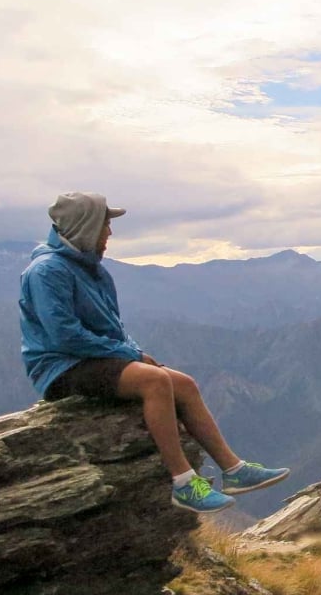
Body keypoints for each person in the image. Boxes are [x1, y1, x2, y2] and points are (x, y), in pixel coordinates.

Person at [18, 191, 289, 513]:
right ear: (86, 226)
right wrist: (125, 353)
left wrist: (132, 351)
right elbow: (62, 335)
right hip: (61, 368)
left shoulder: (91, 269)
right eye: (105, 225)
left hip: (93, 358)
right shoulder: (47, 271)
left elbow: (112, 326)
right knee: (155, 382)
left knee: (183, 383)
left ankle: (234, 470)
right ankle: (184, 483)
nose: (110, 233)